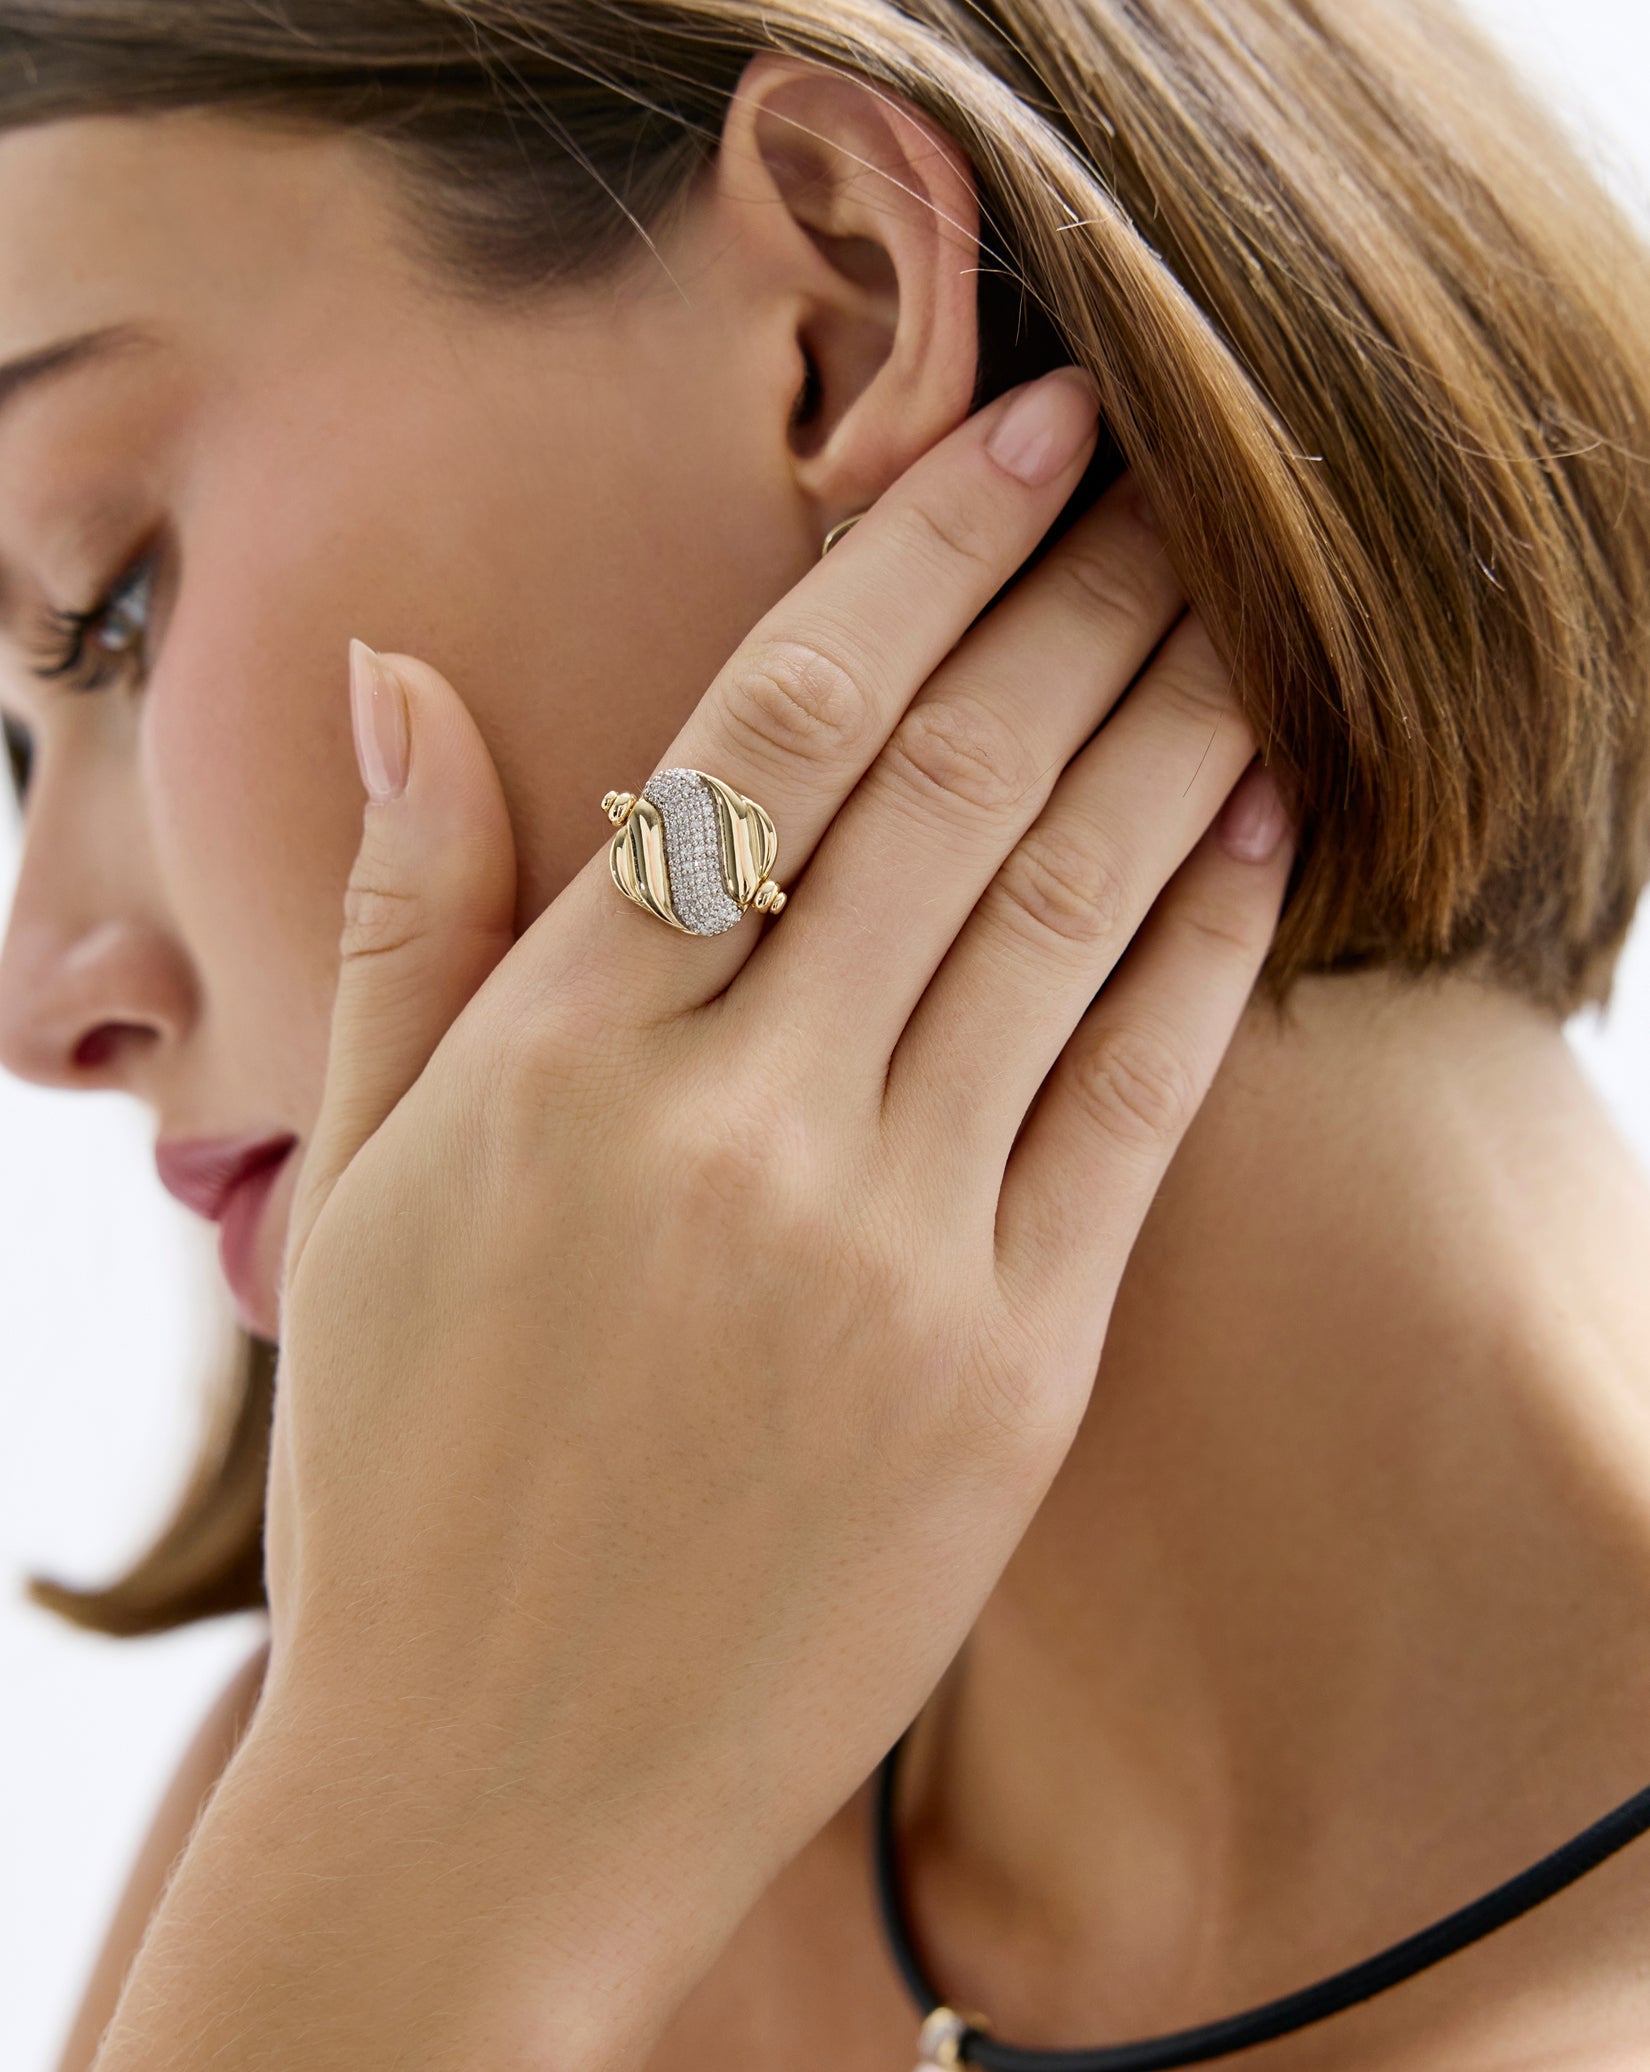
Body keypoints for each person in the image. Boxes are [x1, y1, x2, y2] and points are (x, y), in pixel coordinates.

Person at [3, 2, 1649, 2068]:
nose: (41, 999)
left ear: (843, 309)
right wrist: (417, 1871)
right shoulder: (394, 1784)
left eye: (105, 612)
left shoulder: (414, 1810)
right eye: (13, 750)